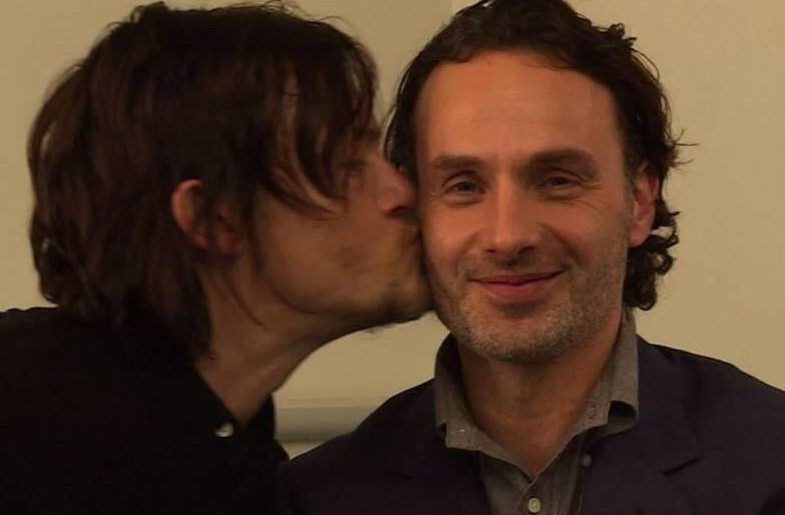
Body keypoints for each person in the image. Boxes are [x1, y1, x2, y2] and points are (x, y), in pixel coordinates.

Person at [278, 0, 785, 513]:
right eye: (463, 185)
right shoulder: (316, 498)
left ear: (639, 202)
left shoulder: (770, 463)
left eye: (557, 180)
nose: (508, 236)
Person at [0, 2, 430, 513]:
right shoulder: (22, 418)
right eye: (347, 164)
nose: (403, 192)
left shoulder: (246, 473)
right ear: (212, 219)